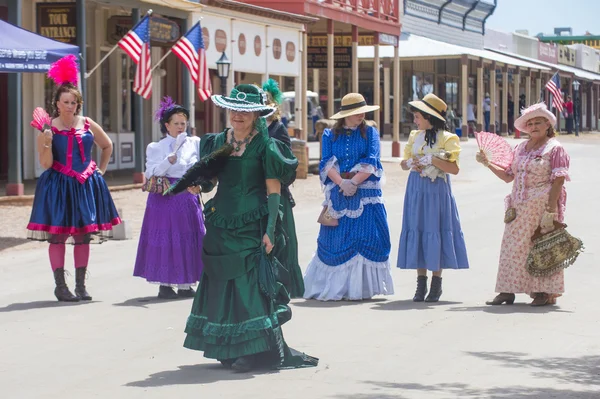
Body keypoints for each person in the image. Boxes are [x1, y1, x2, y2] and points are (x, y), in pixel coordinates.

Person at [172, 84, 317, 372]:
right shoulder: (217, 142)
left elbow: (273, 191)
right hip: (221, 220)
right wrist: (198, 186)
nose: (238, 116)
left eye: (245, 112)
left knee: (249, 285)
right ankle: (228, 347)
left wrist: (271, 230)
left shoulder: (265, 145)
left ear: (255, 116)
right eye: (235, 110)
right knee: (221, 280)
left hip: (252, 222)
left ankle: (253, 351)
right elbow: (211, 179)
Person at [26, 55, 121, 302]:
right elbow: (45, 164)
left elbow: (107, 145)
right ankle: (60, 287)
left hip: (86, 183)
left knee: (82, 235)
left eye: (74, 102)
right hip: (58, 185)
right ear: (57, 103)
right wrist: (46, 141)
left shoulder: (87, 123)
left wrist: (100, 170)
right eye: (65, 102)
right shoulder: (48, 129)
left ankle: (80, 286)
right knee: (58, 235)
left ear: (78, 104)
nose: (70, 106)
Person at [478, 103, 570, 306]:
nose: (534, 126)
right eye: (531, 123)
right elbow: (508, 176)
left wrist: (551, 210)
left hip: (541, 206)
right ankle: (507, 290)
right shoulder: (520, 148)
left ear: (548, 125)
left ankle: (542, 292)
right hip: (518, 206)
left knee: (541, 247)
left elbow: (558, 180)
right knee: (512, 247)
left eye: (539, 122)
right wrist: (487, 163)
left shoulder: (555, 149)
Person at [303, 93, 394, 301]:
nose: (361, 115)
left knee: (367, 235)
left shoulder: (370, 132)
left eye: (362, 111)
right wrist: (342, 182)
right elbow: (326, 162)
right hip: (338, 192)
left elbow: (372, 160)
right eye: (355, 112)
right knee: (336, 239)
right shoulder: (329, 134)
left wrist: (354, 182)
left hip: (366, 191)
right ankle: (336, 288)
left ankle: (360, 289)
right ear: (345, 114)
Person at [397, 93, 469, 302]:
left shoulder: (448, 138)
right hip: (416, 187)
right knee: (418, 229)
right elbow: (403, 162)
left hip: (436, 189)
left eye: (418, 116)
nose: (415, 120)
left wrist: (434, 160)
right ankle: (421, 284)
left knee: (434, 229)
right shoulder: (414, 136)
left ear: (430, 117)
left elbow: (453, 169)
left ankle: (436, 283)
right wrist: (411, 163)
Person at [133, 97, 205, 299]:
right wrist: (167, 161)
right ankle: (164, 284)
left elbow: (201, 166)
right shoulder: (156, 146)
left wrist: (199, 183)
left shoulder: (195, 143)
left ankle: (185, 284)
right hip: (164, 198)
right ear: (167, 125)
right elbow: (150, 173)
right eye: (176, 123)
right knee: (167, 239)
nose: (181, 127)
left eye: (183, 123)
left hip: (187, 197)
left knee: (188, 238)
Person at [261, 79, 304, 298]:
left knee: (282, 239)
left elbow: (288, 165)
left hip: (276, 193)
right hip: (255, 193)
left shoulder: (278, 130)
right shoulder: (253, 129)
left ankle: (284, 285)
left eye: (266, 104)